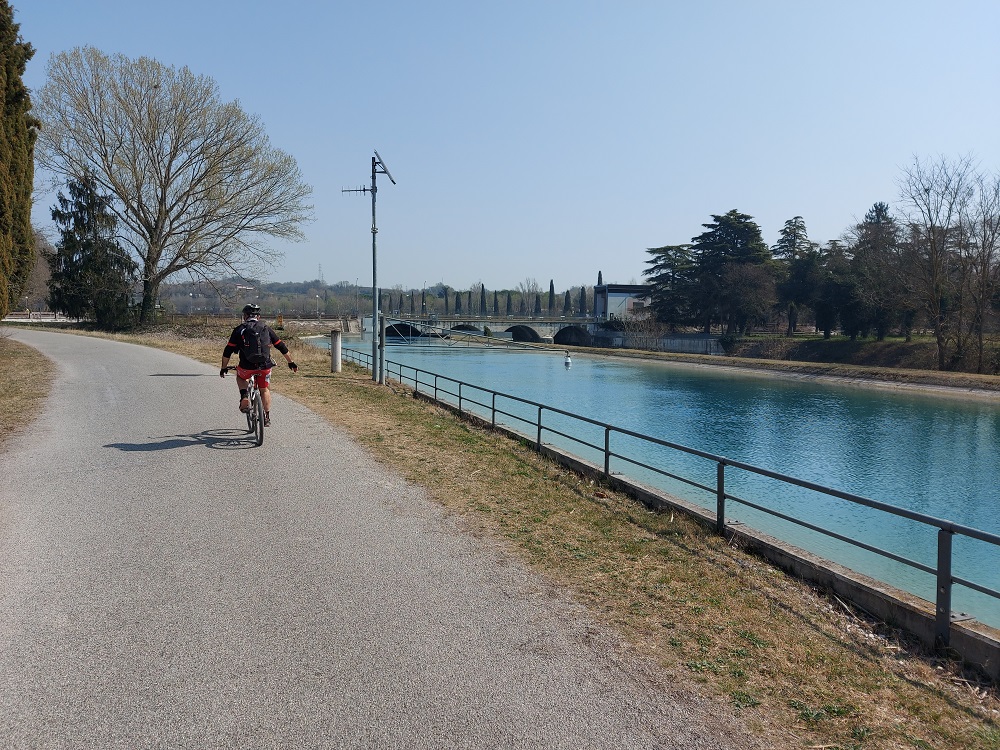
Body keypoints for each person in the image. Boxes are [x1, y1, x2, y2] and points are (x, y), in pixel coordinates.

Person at [220, 304, 297, 426]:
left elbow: (227, 351)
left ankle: (244, 395)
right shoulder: (266, 328)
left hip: (246, 367)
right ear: (259, 317)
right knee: (264, 389)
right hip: (264, 366)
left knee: (240, 377)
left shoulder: (239, 330)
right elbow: (281, 346)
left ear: (245, 316)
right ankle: (266, 417)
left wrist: (224, 368)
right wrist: (291, 362)